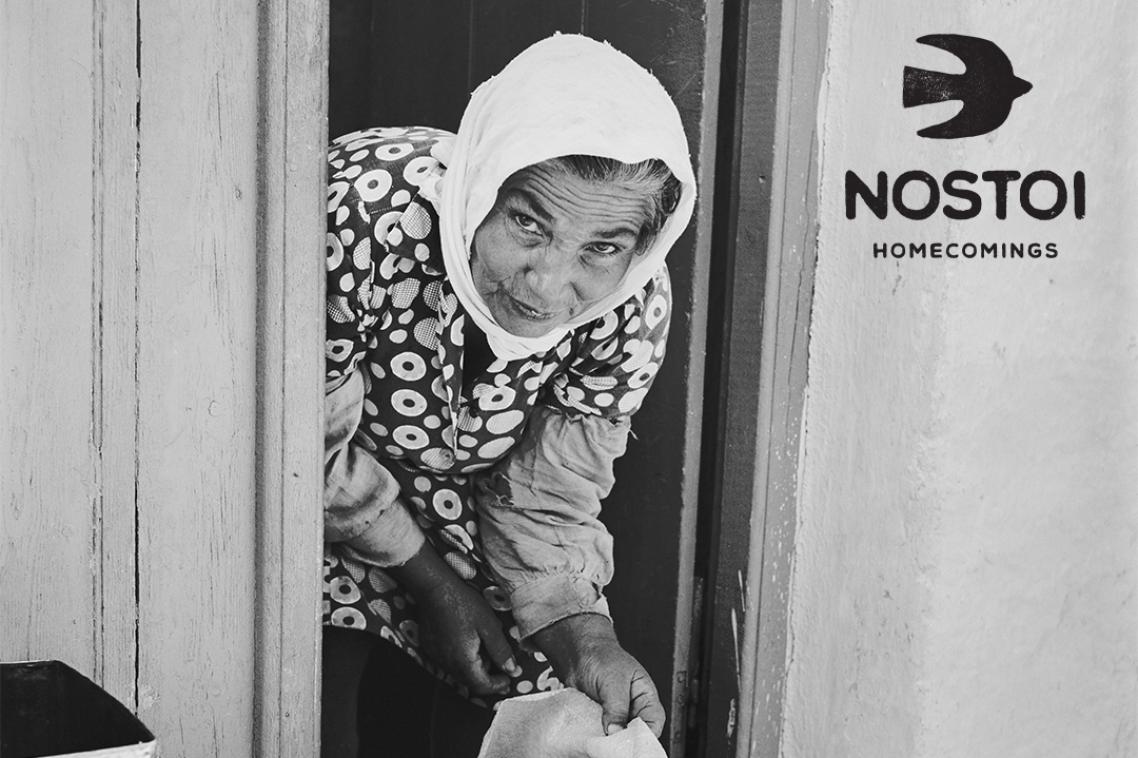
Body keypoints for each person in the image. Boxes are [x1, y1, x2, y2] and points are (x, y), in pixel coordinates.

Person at [320, 33, 697, 757]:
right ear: (484, 182)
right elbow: (296, 438)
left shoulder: (631, 301)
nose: (548, 285)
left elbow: (548, 491)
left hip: (469, 508)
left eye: (600, 247)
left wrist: (584, 636)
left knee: (561, 702)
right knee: (295, 701)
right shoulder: (363, 212)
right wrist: (432, 587)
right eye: (529, 222)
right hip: (307, 486)